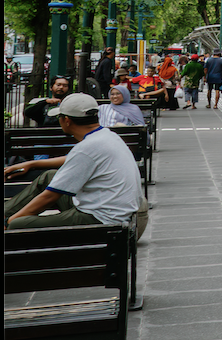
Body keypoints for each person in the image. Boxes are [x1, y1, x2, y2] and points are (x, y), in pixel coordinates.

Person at [4, 92, 147, 235]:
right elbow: (76, 160)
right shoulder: (107, 136)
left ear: (66, 120)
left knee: (17, 225)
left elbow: (50, 196)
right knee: (49, 176)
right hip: (116, 211)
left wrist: (10, 221)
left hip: (101, 220)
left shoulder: (87, 148)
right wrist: (32, 164)